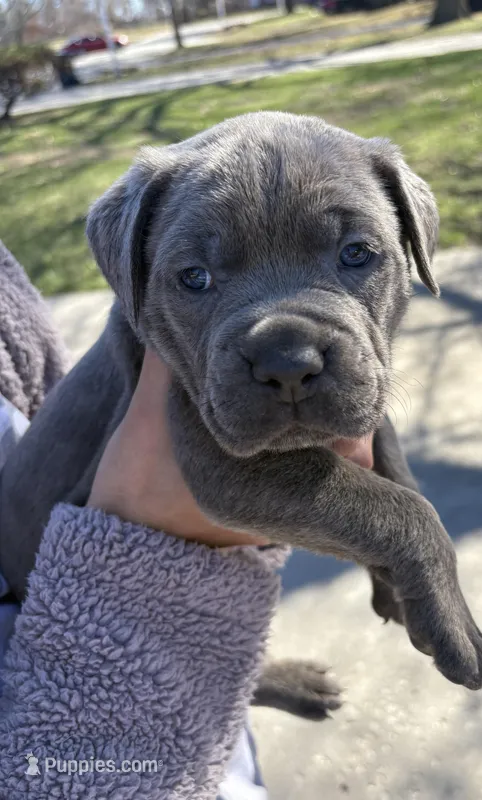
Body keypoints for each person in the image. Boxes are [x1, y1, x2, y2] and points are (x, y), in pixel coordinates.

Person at [0, 240, 372, 797]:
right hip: (97, 706)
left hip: (142, 634)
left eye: (354, 256)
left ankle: (234, 677)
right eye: (195, 276)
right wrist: (146, 565)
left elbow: (48, 396)